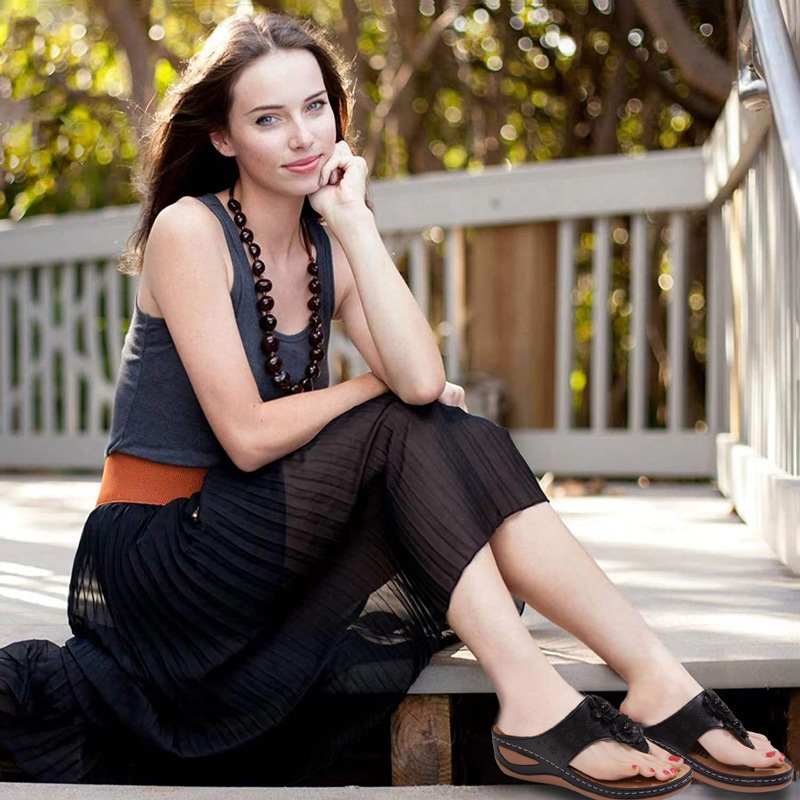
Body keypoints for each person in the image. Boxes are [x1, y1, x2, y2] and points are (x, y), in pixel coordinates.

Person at [0, 10, 792, 795]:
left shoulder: (325, 245)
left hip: (251, 536)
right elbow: (247, 435)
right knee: (397, 424)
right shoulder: (189, 231)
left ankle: (652, 677)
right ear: (223, 137)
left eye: (316, 107)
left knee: (443, 429)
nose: (303, 137)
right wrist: (367, 387)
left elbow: (422, 382)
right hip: (162, 561)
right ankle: (538, 699)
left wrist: (353, 222)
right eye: (268, 119)